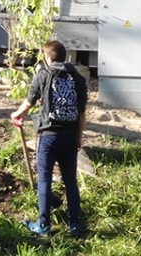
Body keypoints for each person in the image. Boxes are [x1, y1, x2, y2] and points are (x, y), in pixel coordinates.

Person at [10, 40, 88, 237]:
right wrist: (79, 138)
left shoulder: (43, 75)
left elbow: (29, 103)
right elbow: (81, 114)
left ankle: (44, 224)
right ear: (65, 57)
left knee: (44, 178)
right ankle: (75, 225)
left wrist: (16, 114)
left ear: (48, 58)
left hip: (48, 136)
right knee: (70, 180)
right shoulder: (78, 79)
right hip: (70, 136)